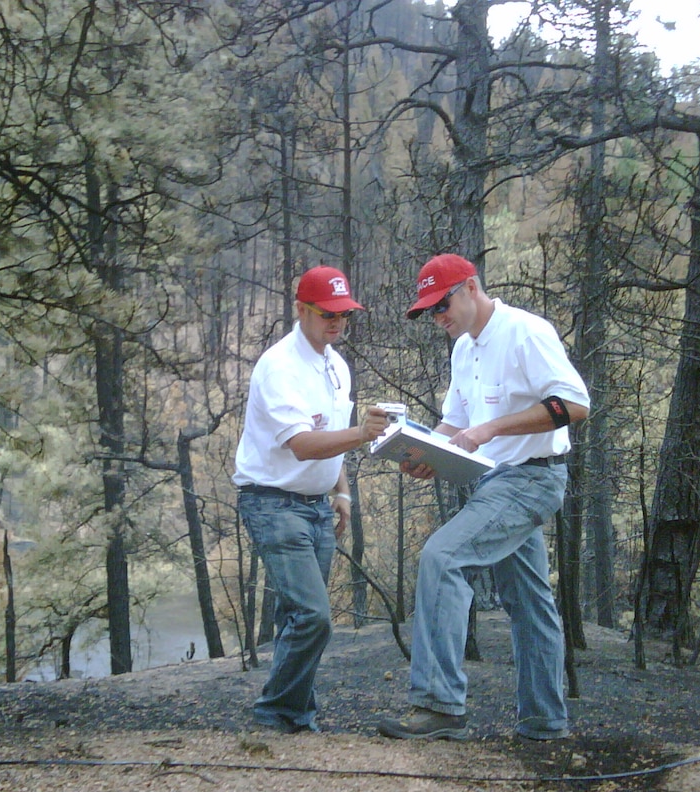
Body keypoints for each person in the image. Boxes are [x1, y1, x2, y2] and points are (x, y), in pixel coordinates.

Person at [377, 253, 590, 742]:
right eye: (429, 311)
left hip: (532, 479)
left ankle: (440, 705)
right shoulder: (463, 349)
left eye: (442, 304)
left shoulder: (526, 332)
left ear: (471, 287)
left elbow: (574, 404)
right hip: (495, 480)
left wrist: (490, 428)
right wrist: (426, 450)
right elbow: (456, 423)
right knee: (530, 603)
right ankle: (545, 721)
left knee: (443, 556)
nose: (438, 318)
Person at [234, 265, 390, 734]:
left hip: (316, 506)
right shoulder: (278, 366)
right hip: (272, 502)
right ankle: (275, 710)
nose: (337, 322)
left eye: (344, 313)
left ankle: (295, 717)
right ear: (300, 310)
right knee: (314, 616)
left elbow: (330, 436)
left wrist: (341, 490)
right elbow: (302, 443)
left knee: (295, 617)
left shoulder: (337, 366)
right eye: (327, 313)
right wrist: (364, 433)